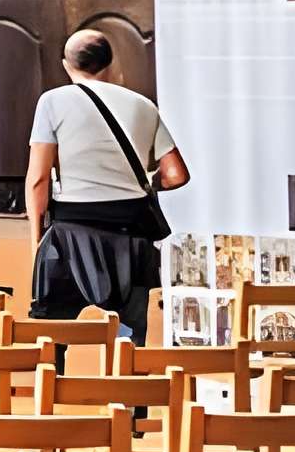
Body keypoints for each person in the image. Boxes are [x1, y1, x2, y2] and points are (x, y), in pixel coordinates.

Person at [24, 29, 188, 325]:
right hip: (132, 235)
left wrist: (37, 241)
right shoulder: (143, 105)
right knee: (133, 332)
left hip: (71, 234)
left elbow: (38, 179)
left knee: (56, 331)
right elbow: (176, 175)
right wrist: (149, 181)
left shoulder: (52, 101)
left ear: (66, 64)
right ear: (110, 63)